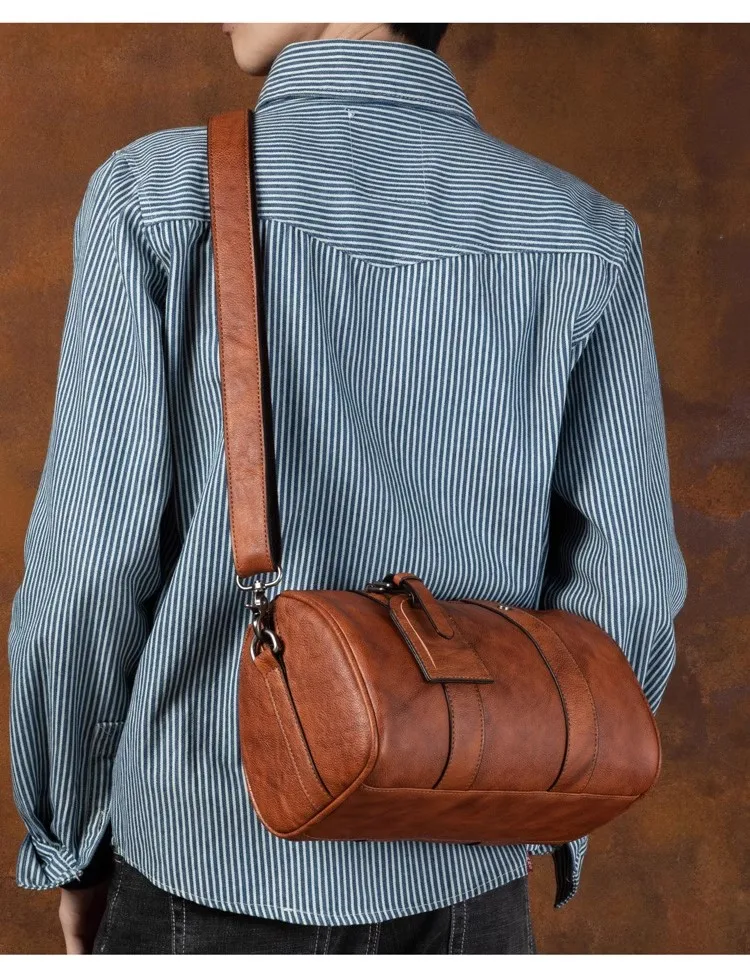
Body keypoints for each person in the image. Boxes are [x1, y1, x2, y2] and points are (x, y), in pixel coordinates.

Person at [8, 22, 688, 955]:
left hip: (203, 858)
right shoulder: (585, 235)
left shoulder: (158, 193)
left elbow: (87, 575)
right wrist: (529, 793)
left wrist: (73, 840)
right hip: (467, 874)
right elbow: (630, 589)